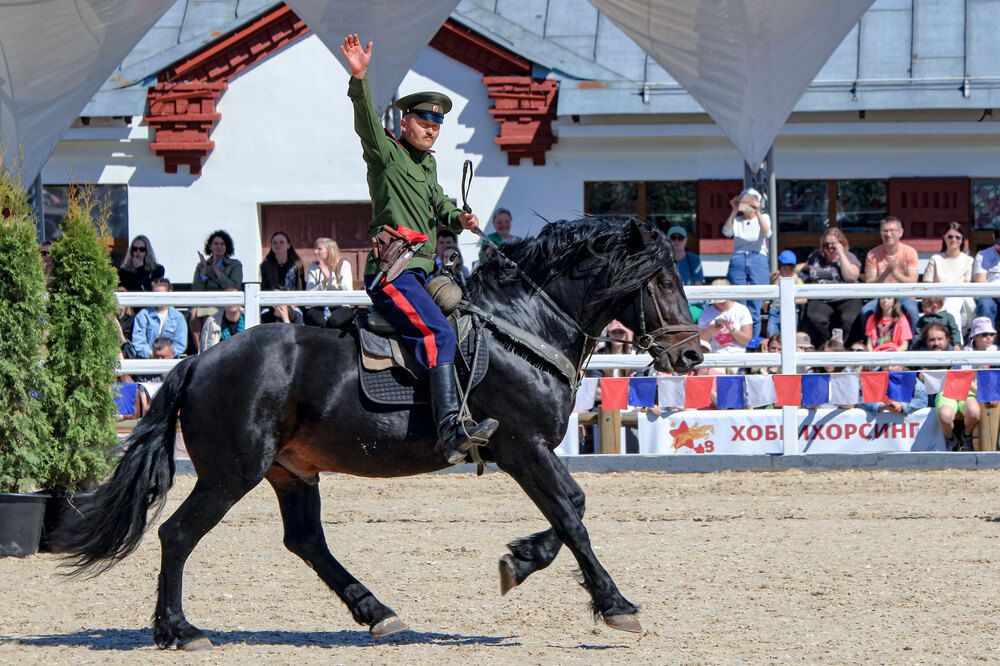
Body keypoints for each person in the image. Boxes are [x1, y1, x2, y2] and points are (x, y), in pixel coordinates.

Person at [341, 33, 497, 465]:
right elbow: (365, 123)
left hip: (424, 272)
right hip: (392, 273)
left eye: (437, 124)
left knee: (469, 323)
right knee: (439, 332)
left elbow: (440, 203)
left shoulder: (427, 164)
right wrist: (359, 80)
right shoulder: (386, 154)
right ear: (404, 122)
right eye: (424, 120)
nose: (432, 128)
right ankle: (449, 429)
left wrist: (459, 219)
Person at [799, 229, 863, 348]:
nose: (829, 248)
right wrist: (786, 270)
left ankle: (844, 347)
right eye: (825, 245)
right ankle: (828, 346)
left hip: (847, 297)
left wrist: (841, 254)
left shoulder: (849, 257)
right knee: (815, 317)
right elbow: (804, 267)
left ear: (842, 244)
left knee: (848, 319)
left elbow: (851, 277)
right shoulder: (816, 256)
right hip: (821, 298)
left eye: (833, 245)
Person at [722, 188, 771, 337]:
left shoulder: (764, 217)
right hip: (738, 259)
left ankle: (753, 343)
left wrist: (757, 211)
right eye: (745, 201)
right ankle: (740, 342)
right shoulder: (737, 220)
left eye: (750, 201)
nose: (747, 205)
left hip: (757, 258)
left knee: (755, 306)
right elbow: (727, 232)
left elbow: (767, 232)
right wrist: (735, 209)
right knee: (740, 304)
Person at [861, 216, 920, 327]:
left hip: (904, 295)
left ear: (900, 232)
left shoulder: (910, 252)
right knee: (866, 311)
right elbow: (869, 285)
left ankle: (914, 344)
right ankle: (870, 342)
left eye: (892, 230)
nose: (888, 234)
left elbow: (912, 283)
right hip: (880, 297)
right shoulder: (872, 254)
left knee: (912, 310)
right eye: (885, 231)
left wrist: (894, 273)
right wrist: (885, 273)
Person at [190, 229, 243, 350]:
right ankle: (201, 351)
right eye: (215, 244)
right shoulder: (202, 265)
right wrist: (203, 274)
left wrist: (217, 272)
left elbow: (234, 287)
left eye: (222, 244)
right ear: (210, 246)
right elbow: (196, 292)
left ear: (227, 246)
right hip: (208, 306)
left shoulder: (235, 264)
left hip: (226, 306)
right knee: (194, 313)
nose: (218, 247)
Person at [923, 222, 974, 333]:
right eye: (950, 236)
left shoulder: (968, 261)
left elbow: (967, 286)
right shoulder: (935, 259)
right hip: (937, 299)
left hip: (960, 298)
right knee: (950, 304)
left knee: (953, 302)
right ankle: (956, 342)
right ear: (944, 238)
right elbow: (927, 284)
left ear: (962, 239)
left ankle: (953, 340)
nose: (954, 240)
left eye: (957, 237)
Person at [304, 237, 354, 327]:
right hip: (319, 306)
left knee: (335, 321)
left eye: (319, 249)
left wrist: (334, 275)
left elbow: (347, 289)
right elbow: (309, 291)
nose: (315, 252)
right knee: (318, 321)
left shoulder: (344, 265)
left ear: (330, 250)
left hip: (341, 305)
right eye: (315, 249)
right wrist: (324, 282)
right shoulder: (313, 267)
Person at [132, 278, 187, 359]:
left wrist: (166, 355)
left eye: (161, 294)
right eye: (155, 295)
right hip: (146, 364)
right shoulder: (142, 315)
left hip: (171, 364)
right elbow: (138, 342)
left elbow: (180, 344)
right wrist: (153, 355)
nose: (158, 298)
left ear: (169, 293)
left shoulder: (178, 317)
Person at [697, 279, 753, 354]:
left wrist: (731, 328)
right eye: (718, 302)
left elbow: (746, 340)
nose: (720, 304)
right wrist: (711, 328)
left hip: (738, 353)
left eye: (723, 302)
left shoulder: (742, 310)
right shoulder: (707, 312)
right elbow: (701, 342)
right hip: (715, 354)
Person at [260, 230, 305, 325]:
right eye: (274, 243)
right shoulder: (265, 266)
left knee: (298, 316)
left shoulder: (297, 265)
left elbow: (300, 288)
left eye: (281, 242)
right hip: (271, 305)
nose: (278, 245)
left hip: (292, 303)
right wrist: (273, 304)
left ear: (288, 245)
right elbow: (264, 288)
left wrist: (292, 304)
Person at [765, 249, 806, 337]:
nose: (788, 272)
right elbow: (770, 294)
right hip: (775, 310)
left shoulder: (797, 280)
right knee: (771, 332)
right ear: (780, 268)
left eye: (791, 269)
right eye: (785, 269)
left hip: (792, 310)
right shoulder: (777, 278)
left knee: (791, 333)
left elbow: (804, 299)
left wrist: (792, 300)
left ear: (795, 268)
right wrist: (772, 281)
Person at [972, 226, 1000, 325]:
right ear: (994, 238)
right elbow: (981, 284)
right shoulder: (983, 255)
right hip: (991, 298)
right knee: (985, 304)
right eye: (999, 244)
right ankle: (986, 338)